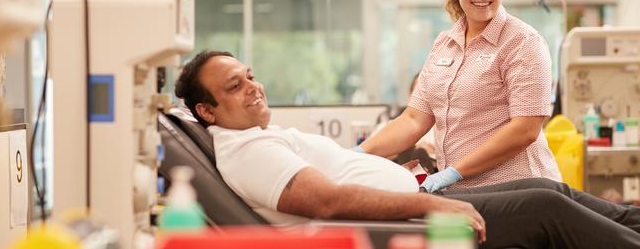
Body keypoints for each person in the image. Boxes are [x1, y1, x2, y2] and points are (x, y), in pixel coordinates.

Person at [174, 50, 640, 249]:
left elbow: (340, 174)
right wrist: (429, 201)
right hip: (407, 222)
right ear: (208, 110)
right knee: (544, 207)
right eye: (235, 86)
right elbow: (327, 202)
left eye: (250, 75)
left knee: (546, 188)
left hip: (414, 203)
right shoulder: (246, 152)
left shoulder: (258, 137)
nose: (254, 88)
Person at [360, 0, 561, 192]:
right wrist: (357, 154)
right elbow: (413, 119)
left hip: (520, 190)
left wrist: (453, 173)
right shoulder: (444, 44)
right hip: (465, 193)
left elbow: (525, 129)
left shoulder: (522, 41)